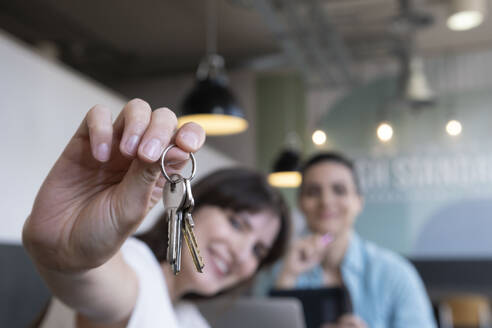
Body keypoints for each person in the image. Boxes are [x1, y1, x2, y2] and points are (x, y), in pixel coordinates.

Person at [23, 99, 290, 328]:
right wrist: (75, 262)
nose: (242, 254)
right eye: (236, 223)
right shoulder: (134, 263)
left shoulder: (188, 317)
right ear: (191, 204)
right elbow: (105, 290)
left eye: (258, 251)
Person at [272, 152, 436, 328]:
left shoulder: (396, 274)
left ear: (358, 202)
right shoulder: (282, 269)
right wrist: (286, 278)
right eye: (313, 192)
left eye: (339, 190)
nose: (326, 201)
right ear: (300, 203)